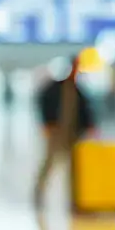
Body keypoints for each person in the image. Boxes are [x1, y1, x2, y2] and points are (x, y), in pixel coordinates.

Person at [34, 56, 95, 207]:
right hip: (57, 132)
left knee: (75, 169)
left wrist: (89, 126)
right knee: (49, 163)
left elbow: (86, 112)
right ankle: (39, 195)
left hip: (73, 134)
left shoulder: (79, 91)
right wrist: (47, 123)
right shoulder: (55, 88)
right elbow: (43, 102)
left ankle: (75, 200)